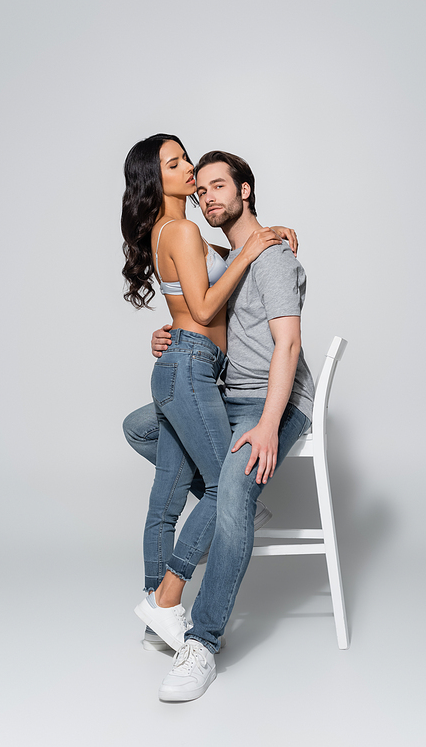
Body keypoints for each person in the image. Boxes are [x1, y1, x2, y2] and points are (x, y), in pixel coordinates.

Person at [123, 149, 315, 701]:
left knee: (230, 491)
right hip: (228, 395)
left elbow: (288, 344)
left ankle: (200, 641)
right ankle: (229, 502)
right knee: (143, 427)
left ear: (245, 190)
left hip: (271, 402)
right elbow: (202, 305)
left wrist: (271, 424)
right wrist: (171, 332)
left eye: (217, 186)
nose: (206, 197)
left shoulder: (273, 259)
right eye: (199, 190)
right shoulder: (231, 252)